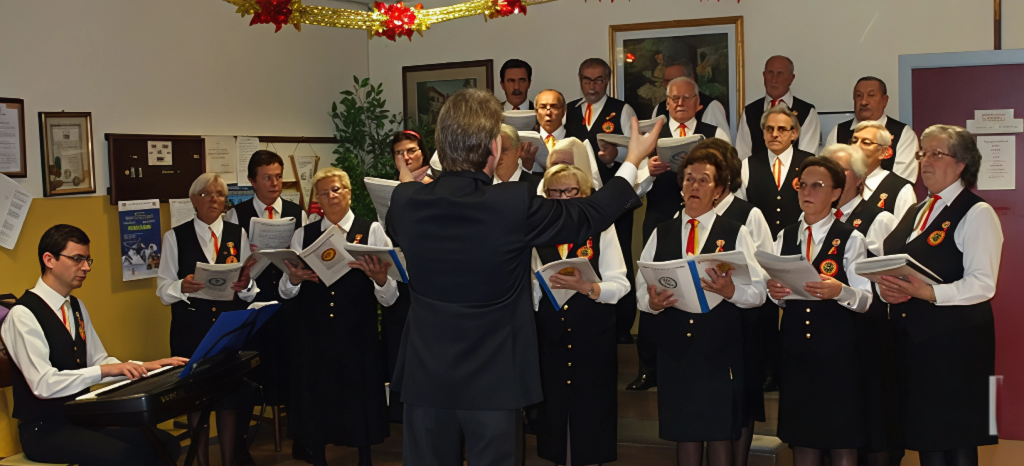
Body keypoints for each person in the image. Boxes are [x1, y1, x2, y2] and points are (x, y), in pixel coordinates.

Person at [386, 88, 658, 466]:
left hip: (425, 375)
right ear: (495, 150)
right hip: (494, 378)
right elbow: (590, 214)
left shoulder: (405, 201)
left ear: (439, 147)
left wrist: (416, 181)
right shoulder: (510, 203)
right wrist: (632, 160)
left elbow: (408, 222)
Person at [1, 225, 185, 466]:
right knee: (123, 457)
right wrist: (107, 370)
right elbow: (43, 384)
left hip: (82, 419)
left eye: (87, 260)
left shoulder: (75, 307)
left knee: (164, 443)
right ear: (49, 260)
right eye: (77, 259)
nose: (86, 267)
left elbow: (99, 362)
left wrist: (147, 367)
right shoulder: (23, 314)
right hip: (44, 431)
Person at [878, 125, 1002, 466]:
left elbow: (983, 283)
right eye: (922, 153)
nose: (925, 161)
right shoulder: (917, 211)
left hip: (956, 346)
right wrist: (889, 290)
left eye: (936, 153)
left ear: (962, 163)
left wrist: (928, 292)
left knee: (956, 438)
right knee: (927, 437)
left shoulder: (978, 213)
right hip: (914, 343)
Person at [636, 150, 767, 466]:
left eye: (703, 180)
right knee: (686, 435)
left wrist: (731, 290)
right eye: (688, 179)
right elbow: (641, 290)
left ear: (718, 190)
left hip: (719, 350)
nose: (694, 185)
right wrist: (651, 303)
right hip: (676, 350)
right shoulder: (661, 231)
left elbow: (759, 292)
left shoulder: (736, 232)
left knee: (719, 433)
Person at [278, 167, 397, 466]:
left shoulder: (370, 230)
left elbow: (391, 294)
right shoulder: (303, 234)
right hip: (314, 333)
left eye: (336, 189)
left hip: (358, 330)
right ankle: (318, 456)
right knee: (318, 397)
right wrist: (294, 279)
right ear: (317, 198)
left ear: (348, 192)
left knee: (359, 398)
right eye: (324, 192)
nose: (331, 196)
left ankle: (364, 458)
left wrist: (379, 279)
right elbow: (286, 292)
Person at [626, 76, 732, 391]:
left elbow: (729, 179)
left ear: (699, 103)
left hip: (706, 221)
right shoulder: (652, 136)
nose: (681, 104)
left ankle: (701, 353)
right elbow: (635, 186)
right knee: (655, 284)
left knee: (704, 280)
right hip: (662, 220)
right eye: (674, 99)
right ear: (667, 102)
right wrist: (649, 170)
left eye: (687, 98)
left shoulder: (715, 134)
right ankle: (649, 366)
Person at [767, 156, 873, 466]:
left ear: (836, 193)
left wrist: (840, 291)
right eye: (802, 185)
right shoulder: (784, 236)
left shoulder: (851, 239)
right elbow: (776, 293)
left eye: (818, 185)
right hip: (796, 350)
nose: (807, 192)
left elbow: (866, 299)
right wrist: (776, 295)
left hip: (837, 354)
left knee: (842, 440)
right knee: (803, 439)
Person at [156, 172, 259, 466]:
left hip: (227, 329)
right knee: (196, 401)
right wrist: (181, 286)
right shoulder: (175, 236)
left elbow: (248, 287)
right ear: (193, 200)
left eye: (219, 195)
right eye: (207, 194)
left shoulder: (237, 234)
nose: (214, 200)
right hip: (191, 330)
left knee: (227, 401)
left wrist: (246, 285)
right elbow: (163, 291)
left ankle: (229, 462)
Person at [530, 164, 630, 466]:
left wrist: (588, 286)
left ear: (585, 194)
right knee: (555, 420)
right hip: (551, 339)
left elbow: (621, 284)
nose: (563, 198)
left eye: (570, 191)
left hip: (592, 337)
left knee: (591, 420)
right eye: (555, 192)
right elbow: (530, 289)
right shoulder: (537, 231)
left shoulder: (601, 228)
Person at [819, 144, 902, 466]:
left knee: (872, 413)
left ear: (859, 178)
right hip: (830, 333)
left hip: (868, 329)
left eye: (840, 171)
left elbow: (891, 276)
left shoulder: (879, 220)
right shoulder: (815, 220)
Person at [223, 149, 307, 452]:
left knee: (294, 367)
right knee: (251, 369)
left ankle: (301, 438)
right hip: (251, 304)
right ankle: (241, 443)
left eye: (278, 177)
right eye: (267, 178)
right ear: (252, 182)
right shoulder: (237, 214)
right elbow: (233, 261)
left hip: (289, 300)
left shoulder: (297, 211)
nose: (274, 183)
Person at [697, 138, 773, 466]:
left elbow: (766, 266)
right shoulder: (685, 214)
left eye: (707, 175)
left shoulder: (748, 214)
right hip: (702, 323)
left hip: (742, 319)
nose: (698, 182)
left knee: (740, 402)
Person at [825, 77, 920, 183]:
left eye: (871, 95)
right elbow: (827, 175)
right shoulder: (838, 132)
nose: (864, 102)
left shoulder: (903, 133)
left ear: (885, 100)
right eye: (859, 96)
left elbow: (902, 182)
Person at [735, 56, 820, 159]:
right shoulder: (750, 111)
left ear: (791, 78)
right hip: (757, 174)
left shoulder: (807, 112)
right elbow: (743, 156)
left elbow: (807, 157)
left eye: (780, 74)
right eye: (770, 73)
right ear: (764, 75)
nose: (774, 80)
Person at [565, 58, 637, 157]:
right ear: (580, 79)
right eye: (587, 80)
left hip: (611, 172)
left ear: (607, 79)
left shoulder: (623, 109)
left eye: (599, 80)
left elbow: (635, 148)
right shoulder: (568, 109)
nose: (592, 86)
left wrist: (615, 154)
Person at [850, 121, 917, 222]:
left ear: (882, 152)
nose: (856, 147)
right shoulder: (841, 182)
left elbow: (905, 233)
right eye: (854, 141)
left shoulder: (901, 190)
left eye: (866, 143)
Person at [650, 58, 731, 136]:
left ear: (691, 78)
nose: (673, 84)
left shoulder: (712, 106)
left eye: (678, 79)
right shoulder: (659, 109)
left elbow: (722, 146)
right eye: (667, 81)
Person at [494, 123, 542, 191]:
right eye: (495, 150)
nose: (498, 156)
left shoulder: (538, 186)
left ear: (518, 150)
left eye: (504, 150)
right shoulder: (481, 185)